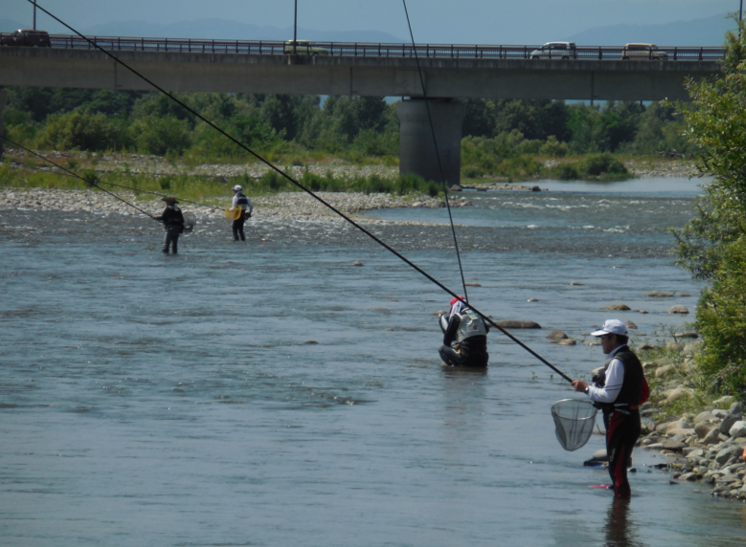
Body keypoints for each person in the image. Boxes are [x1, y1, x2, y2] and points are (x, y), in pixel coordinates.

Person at [572, 319, 649, 499]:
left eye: (603, 339)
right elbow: (644, 393)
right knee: (617, 467)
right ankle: (618, 507)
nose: (601, 343)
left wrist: (586, 389)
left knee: (618, 470)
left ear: (613, 338)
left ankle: (619, 518)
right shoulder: (632, 358)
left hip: (621, 423)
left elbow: (609, 396)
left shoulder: (617, 362)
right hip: (630, 420)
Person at [438, 296, 489, 367]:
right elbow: (486, 330)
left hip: (466, 358)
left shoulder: (457, 317)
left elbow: (446, 342)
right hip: (483, 359)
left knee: (442, 349)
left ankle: (454, 369)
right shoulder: (479, 315)